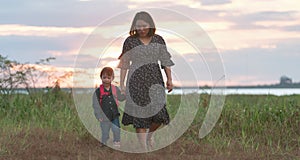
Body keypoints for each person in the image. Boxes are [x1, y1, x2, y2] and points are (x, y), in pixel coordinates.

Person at [117, 11, 174, 149]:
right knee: (139, 115)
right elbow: (124, 64)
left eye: (144, 25)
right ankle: (143, 149)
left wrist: (169, 79)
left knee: (160, 113)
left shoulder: (159, 40)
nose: (141, 29)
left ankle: (149, 136)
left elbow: (165, 60)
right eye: (138, 26)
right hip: (135, 81)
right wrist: (122, 84)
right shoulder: (130, 41)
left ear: (150, 25)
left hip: (155, 79)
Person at [92, 67, 125, 147]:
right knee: (105, 131)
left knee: (116, 129)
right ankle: (104, 143)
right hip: (104, 116)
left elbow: (120, 98)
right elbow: (95, 105)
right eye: (104, 77)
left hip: (114, 115)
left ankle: (116, 142)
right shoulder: (98, 91)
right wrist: (98, 115)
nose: (106, 79)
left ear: (112, 78)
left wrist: (125, 94)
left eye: (108, 78)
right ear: (101, 78)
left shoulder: (115, 89)